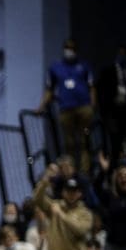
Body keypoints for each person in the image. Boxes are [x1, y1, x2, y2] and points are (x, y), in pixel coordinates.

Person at [38, 38, 96, 173]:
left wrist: (93, 105)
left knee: (83, 141)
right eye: (68, 48)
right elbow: (49, 89)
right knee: (69, 143)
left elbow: (92, 86)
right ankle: (70, 171)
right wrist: (41, 106)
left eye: (72, 48)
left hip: (83, 107)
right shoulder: (55, 67)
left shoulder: (84, 66)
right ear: (64, 49)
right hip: (65, 108)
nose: (70, 51)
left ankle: (84, 171)